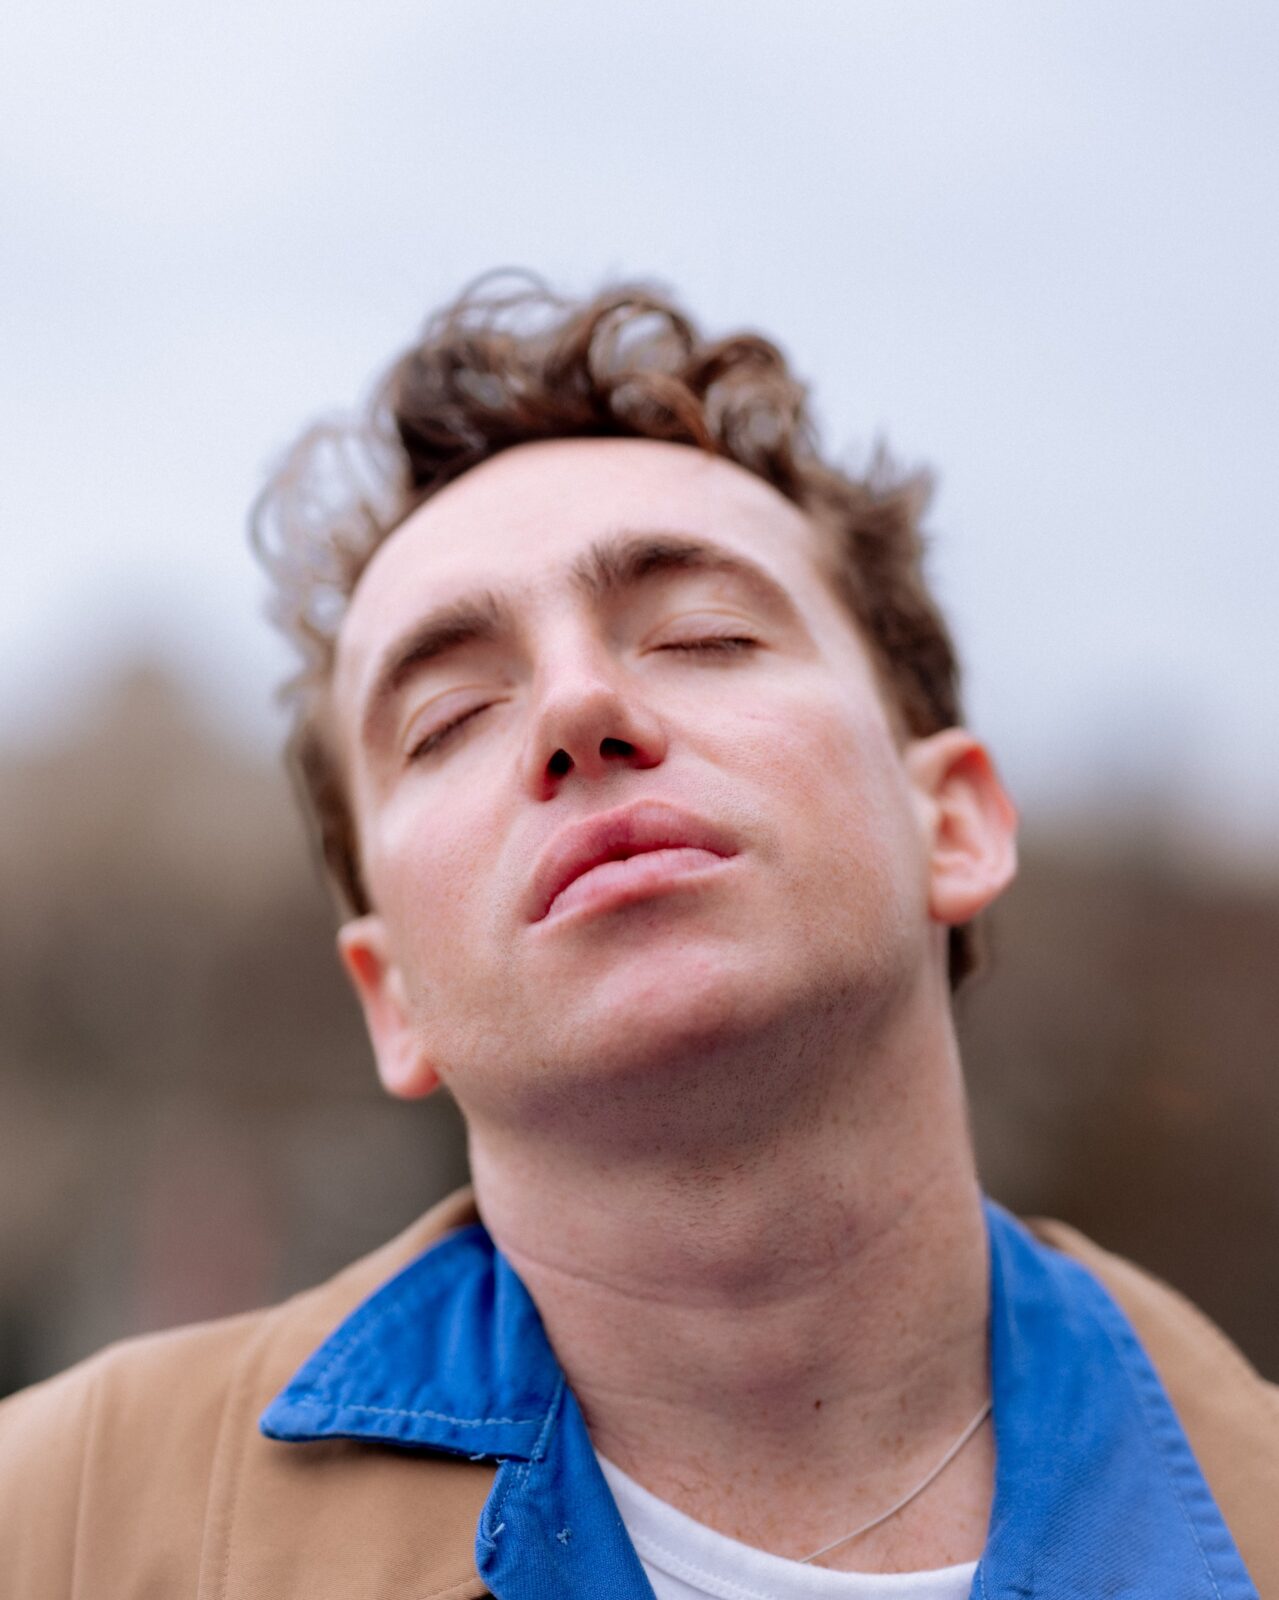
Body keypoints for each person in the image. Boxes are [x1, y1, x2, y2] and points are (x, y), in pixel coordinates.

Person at [2, 279, 1275, 1599]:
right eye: (448, 717)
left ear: (952, 823)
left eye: (703, 633)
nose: (579, 704)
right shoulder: (54, 1536)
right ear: (393, 1002)